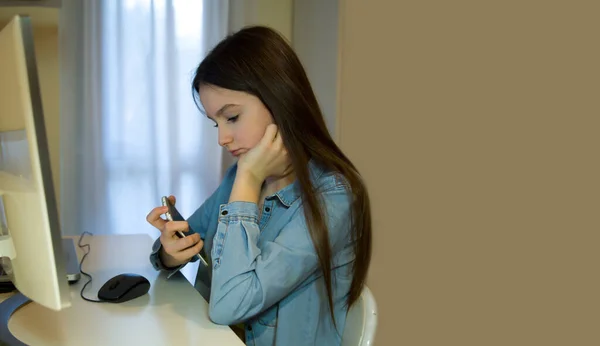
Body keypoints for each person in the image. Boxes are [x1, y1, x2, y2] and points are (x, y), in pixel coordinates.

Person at [146, 25, 372, 346]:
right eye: (216, 123)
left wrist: (249, 179)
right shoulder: (236, 178)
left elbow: (229, 306)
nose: (222, 138)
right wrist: (171, 253)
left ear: (280, 99)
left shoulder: (332, 198)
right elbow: (187, 239)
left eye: (232, 117)